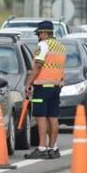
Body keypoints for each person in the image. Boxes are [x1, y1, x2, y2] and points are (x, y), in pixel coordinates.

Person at [24, 20, 67, 160]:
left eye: (38, 34)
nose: (38, 37)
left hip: (42, 86)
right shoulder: (60, 47)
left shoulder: (43, 45)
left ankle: (42, 147)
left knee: (41, 117)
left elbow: (37, 66)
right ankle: (53, 148)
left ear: (43, 33)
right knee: (53, 117)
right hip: (56, 86)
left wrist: (28, 83)